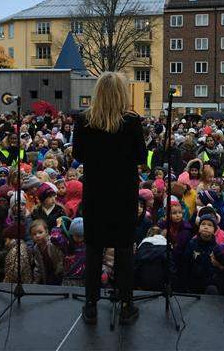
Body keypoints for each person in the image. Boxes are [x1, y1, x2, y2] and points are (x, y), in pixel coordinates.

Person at [71, 72, 146, 325]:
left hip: (95, 193)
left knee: (94, 249)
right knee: (124, 249)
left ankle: (90, 305)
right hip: (123, 194)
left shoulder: (83, 121)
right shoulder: (132, 122)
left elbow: (79, 155)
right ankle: (126, 305)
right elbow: (140, 157)